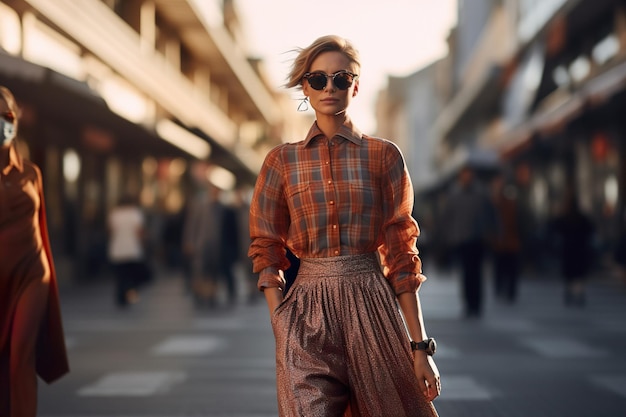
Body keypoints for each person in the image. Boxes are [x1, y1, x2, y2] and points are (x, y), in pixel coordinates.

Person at [248, 35, 440, 416]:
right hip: (305, 315)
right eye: (318, 79)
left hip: (372, 304)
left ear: (356, 84)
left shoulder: (383, 156)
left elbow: (402, 253)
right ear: (305, 87)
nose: (329, 87)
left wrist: (420, 348)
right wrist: (280, 320)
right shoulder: (281, 162)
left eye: (340, 78)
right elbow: (265, 244)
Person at [0, 86, 69, 416]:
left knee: (20, 357)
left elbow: (43, 227)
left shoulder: (32, 173)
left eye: (8, 116)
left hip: (31, 273)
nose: (3, 123)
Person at [441, 165, 495, 318]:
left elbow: (491, 214)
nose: (467, 177)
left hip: (478, 239)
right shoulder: (454, 195)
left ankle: (476, 304)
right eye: (465, 175)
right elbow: (447, 218)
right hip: (461, 239)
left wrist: (491, 232)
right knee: (466, 273)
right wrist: (448, 236)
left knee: (477, 273)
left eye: (469, 174)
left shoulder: (481, 194)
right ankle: (468, 304)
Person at [551, 190, 595, 307]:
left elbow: (555, 227)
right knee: (577, 275)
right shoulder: (581, 219)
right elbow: (591, 230)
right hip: (578, 251)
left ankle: (572, 294)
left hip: (570, 250)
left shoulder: (567, 218)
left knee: (571, 275)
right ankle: (577, 294)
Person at [107, 193, 147, 307]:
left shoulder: (114, 214)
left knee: (120, 276)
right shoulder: (135, 213)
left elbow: (110, 231)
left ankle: (121, 298)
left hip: (117, 249)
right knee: (132, 274)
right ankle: (129, 293)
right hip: (132, 249)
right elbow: (139, 232)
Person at [489, 174, 522, 303]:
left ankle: (507, 290)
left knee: (507, 268)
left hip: (509, 242)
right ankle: (505, 290)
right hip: (502, 242)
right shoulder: (495, 205)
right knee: (503, 268)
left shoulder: (507, 204)